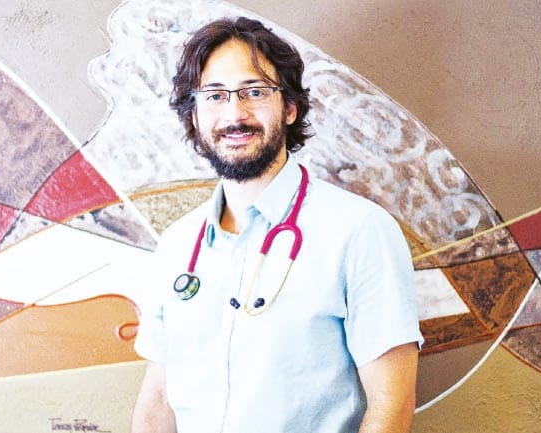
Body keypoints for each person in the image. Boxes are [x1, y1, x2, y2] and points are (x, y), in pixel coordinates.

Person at [131, 16, 423, 433]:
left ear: (289, 107)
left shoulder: (360, 231)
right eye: (214, 96)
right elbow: (159, 398)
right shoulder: (176, 245)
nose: (235, 114)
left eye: (254, 91)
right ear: (193, 115)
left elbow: (391, 402)